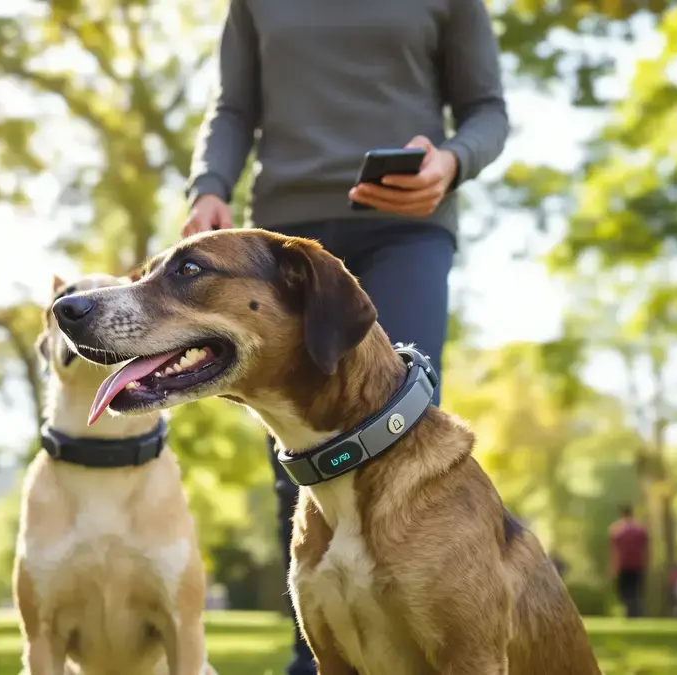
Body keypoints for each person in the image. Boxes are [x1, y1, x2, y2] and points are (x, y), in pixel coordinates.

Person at [183, 0, 509, 671]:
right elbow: (234, 107)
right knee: (297, 435)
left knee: (399, 419)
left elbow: (487, 109)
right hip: (284, 235)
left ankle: (423, 622)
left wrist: (451, 162)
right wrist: (209, 185)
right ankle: (318, 649)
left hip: (405, 227)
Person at [608, 504, 648, 618]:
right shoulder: (641, 530)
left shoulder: (616, 530)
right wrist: (646, 564)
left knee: (624, 592)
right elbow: (645, 550)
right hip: (637, 566)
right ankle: (634, 612)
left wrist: (613, 568)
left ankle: (631, 611)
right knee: (636, 591)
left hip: (623, 566)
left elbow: (614, 552)